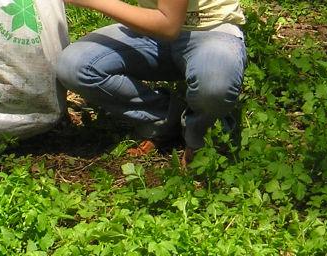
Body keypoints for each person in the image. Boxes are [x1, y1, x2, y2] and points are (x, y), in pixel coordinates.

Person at [55, 0, 246, 167]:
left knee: (214, 84)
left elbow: (168, 25)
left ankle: (201, 136)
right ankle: (164, 117)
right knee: (75, 66)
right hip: (150, 30)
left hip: (209, 29)